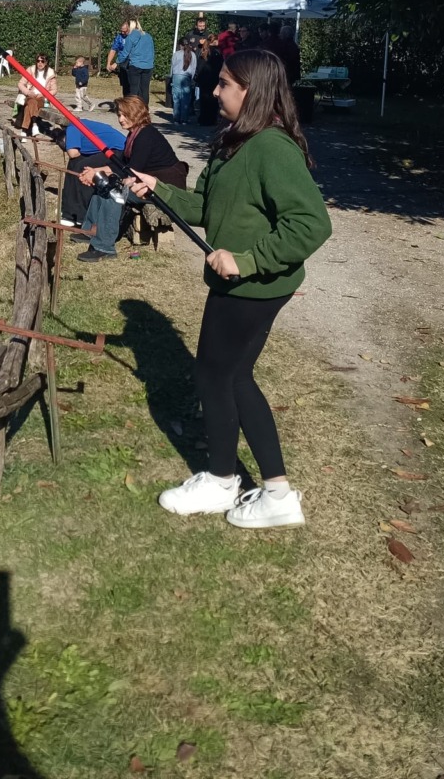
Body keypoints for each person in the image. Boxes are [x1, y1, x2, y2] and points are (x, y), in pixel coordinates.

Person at [126, 50, 331, 528]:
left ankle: (222, 482)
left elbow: (312, 224)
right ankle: (275, 493)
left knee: (216, 378)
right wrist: (157, 188)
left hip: (252, 288)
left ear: (251, 91)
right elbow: (205, 207)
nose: (214, 91)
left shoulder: (272, 148)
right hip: (238, 286)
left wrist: (247, 259)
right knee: (233, 378)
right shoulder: (235, 142)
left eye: (223, 84)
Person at [74, 95, 187, 263]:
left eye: (124, 115)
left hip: (164, 190)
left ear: (136, 113)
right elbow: (123, 165)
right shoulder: (135, 134)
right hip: (147, 183)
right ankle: (91, 231)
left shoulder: (146, 136)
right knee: (103, 186)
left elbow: (132, 173)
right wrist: (97, 171)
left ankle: (104, 247)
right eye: (119, 114)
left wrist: (109, 179)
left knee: (114, 193)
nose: (120, 119)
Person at [59, 115, 126, 227]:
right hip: (114, 149)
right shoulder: (84, 124)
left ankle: (82, 215)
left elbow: (73, 153)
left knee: (82, 168)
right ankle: (69, 212)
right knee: (74, 164)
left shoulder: (72, 127)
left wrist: (67, 145)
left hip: (118, 151)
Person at [116, 19, 155, 105]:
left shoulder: (131, 36)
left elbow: (125, 52)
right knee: (145, 89)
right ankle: (144, 108)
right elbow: (152, 51)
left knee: (134, 89)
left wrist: (117, 62)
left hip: (136, 65)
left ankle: (133, 108)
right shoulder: (148, 36)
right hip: (148, 66)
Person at [17, 54, 56, 137]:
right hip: (30, 96)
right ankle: (34, 125)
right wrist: (28, 92)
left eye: (42, 61)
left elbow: (54, 90)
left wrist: (43, 94)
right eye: (38, 61)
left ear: (46, 62)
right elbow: (20, 84)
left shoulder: (50, 73)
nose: (40, 63)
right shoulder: (30, 70)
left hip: (43, 98)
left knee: (29, 107)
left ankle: (24, 130)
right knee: (31, 101)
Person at [195, 33, 223, 125]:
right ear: (215, 41)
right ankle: (211, 119)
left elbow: (199, 66)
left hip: (203, 80)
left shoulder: (203, 52)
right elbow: (219, 67)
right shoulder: (216, 53)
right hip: (213, 79)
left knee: (204, 101)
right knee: (212, 101)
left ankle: (203, 119)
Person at [170, 39, 198, 123]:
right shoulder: (193, 54)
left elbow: (172, 66)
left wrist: (171, 76)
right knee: (186, 98)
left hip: (177, 76)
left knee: (177, 97)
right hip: (187, 77)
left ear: (180, 45)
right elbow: (194, 68)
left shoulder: (176, 54)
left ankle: (176, 118)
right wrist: (191, 78)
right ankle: (184, 119)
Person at [106, 21, 131, 95]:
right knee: (125, 85)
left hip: (132, 63)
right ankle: (126, 102)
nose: (123, 33)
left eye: (124, 31)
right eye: (121, 31)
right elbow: (113, 50)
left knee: (132, 86)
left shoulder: (133, 37)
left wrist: (117, 63)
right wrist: (108, 63)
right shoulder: (119, 37)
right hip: (122, 64)